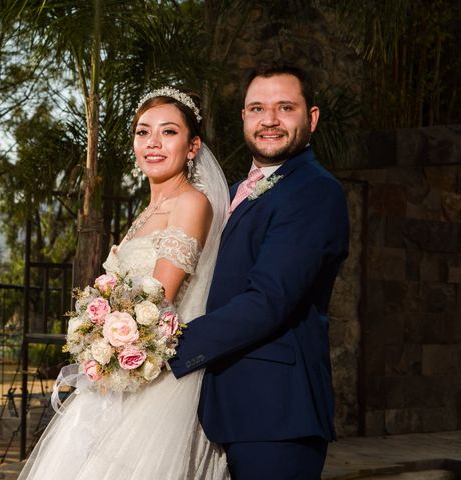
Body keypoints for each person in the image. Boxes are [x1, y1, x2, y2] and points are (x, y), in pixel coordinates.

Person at [18, 87, 231, 480]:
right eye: (142, 132)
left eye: (168, 132)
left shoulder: (191, 203)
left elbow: (158, 301)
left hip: (156, 384)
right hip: (119, 379)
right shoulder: (148, 210)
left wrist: (106, 344)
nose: (152, 142)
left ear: (192, 146)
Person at [169, 64, 350, 479]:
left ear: (312, 118)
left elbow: (269, 301)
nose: (269, 119)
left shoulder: (315, 191)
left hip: (277, 414)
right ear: (245, 119)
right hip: (223, 405)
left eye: (285, 107)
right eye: (257, 108)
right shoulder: (233, 192)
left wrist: (166, 346)